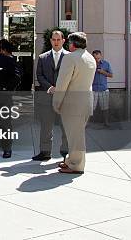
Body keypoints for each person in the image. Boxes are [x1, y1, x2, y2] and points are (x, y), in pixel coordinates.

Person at [53, 32, 96, 174]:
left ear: (72, 44)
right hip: (86, 102)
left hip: (72, 103)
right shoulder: (90, 58)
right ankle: (71, 161)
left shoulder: (70, 58)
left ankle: (76, 165)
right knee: (76, 134)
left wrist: (57, 102)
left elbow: (62, 83)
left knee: (75, 137)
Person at [33, 30, 69, 161]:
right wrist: (50, 87)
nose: (56, 42)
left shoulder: (69, 57)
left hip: (65, 98)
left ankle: (65, 152)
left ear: (63, 41)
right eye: (54, 39)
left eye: (58, 40)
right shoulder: (43, 57)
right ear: (50, 41)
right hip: (47, 97)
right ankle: (45, 152)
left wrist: (62, 88)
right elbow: (39, 75)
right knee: (46, 126)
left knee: (66, 126)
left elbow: (72, 76)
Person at [91, 50, 113, 128]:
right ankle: (86, 123)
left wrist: (103, 72)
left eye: (98, 58)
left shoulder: (106, 64)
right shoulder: (90, 64)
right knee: (90, 107)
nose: (97, 60)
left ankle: (106, 122)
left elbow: (111, 75)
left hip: (103, 89)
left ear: (101, 56)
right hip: (93, 89)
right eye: (95, 58)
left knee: (105, 108)